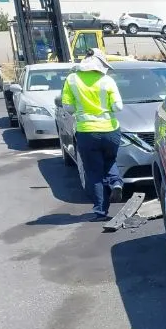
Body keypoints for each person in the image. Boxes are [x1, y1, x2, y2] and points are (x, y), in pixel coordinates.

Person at [61, 48, 124, 221]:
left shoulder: (72, 79)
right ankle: (116, 183)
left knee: (94, 171)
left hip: (86, 132)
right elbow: (118, 107)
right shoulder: (107, 80)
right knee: (110, 160)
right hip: (110, 130)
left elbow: (68, 108)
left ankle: (101, 212)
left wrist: (82, 109)